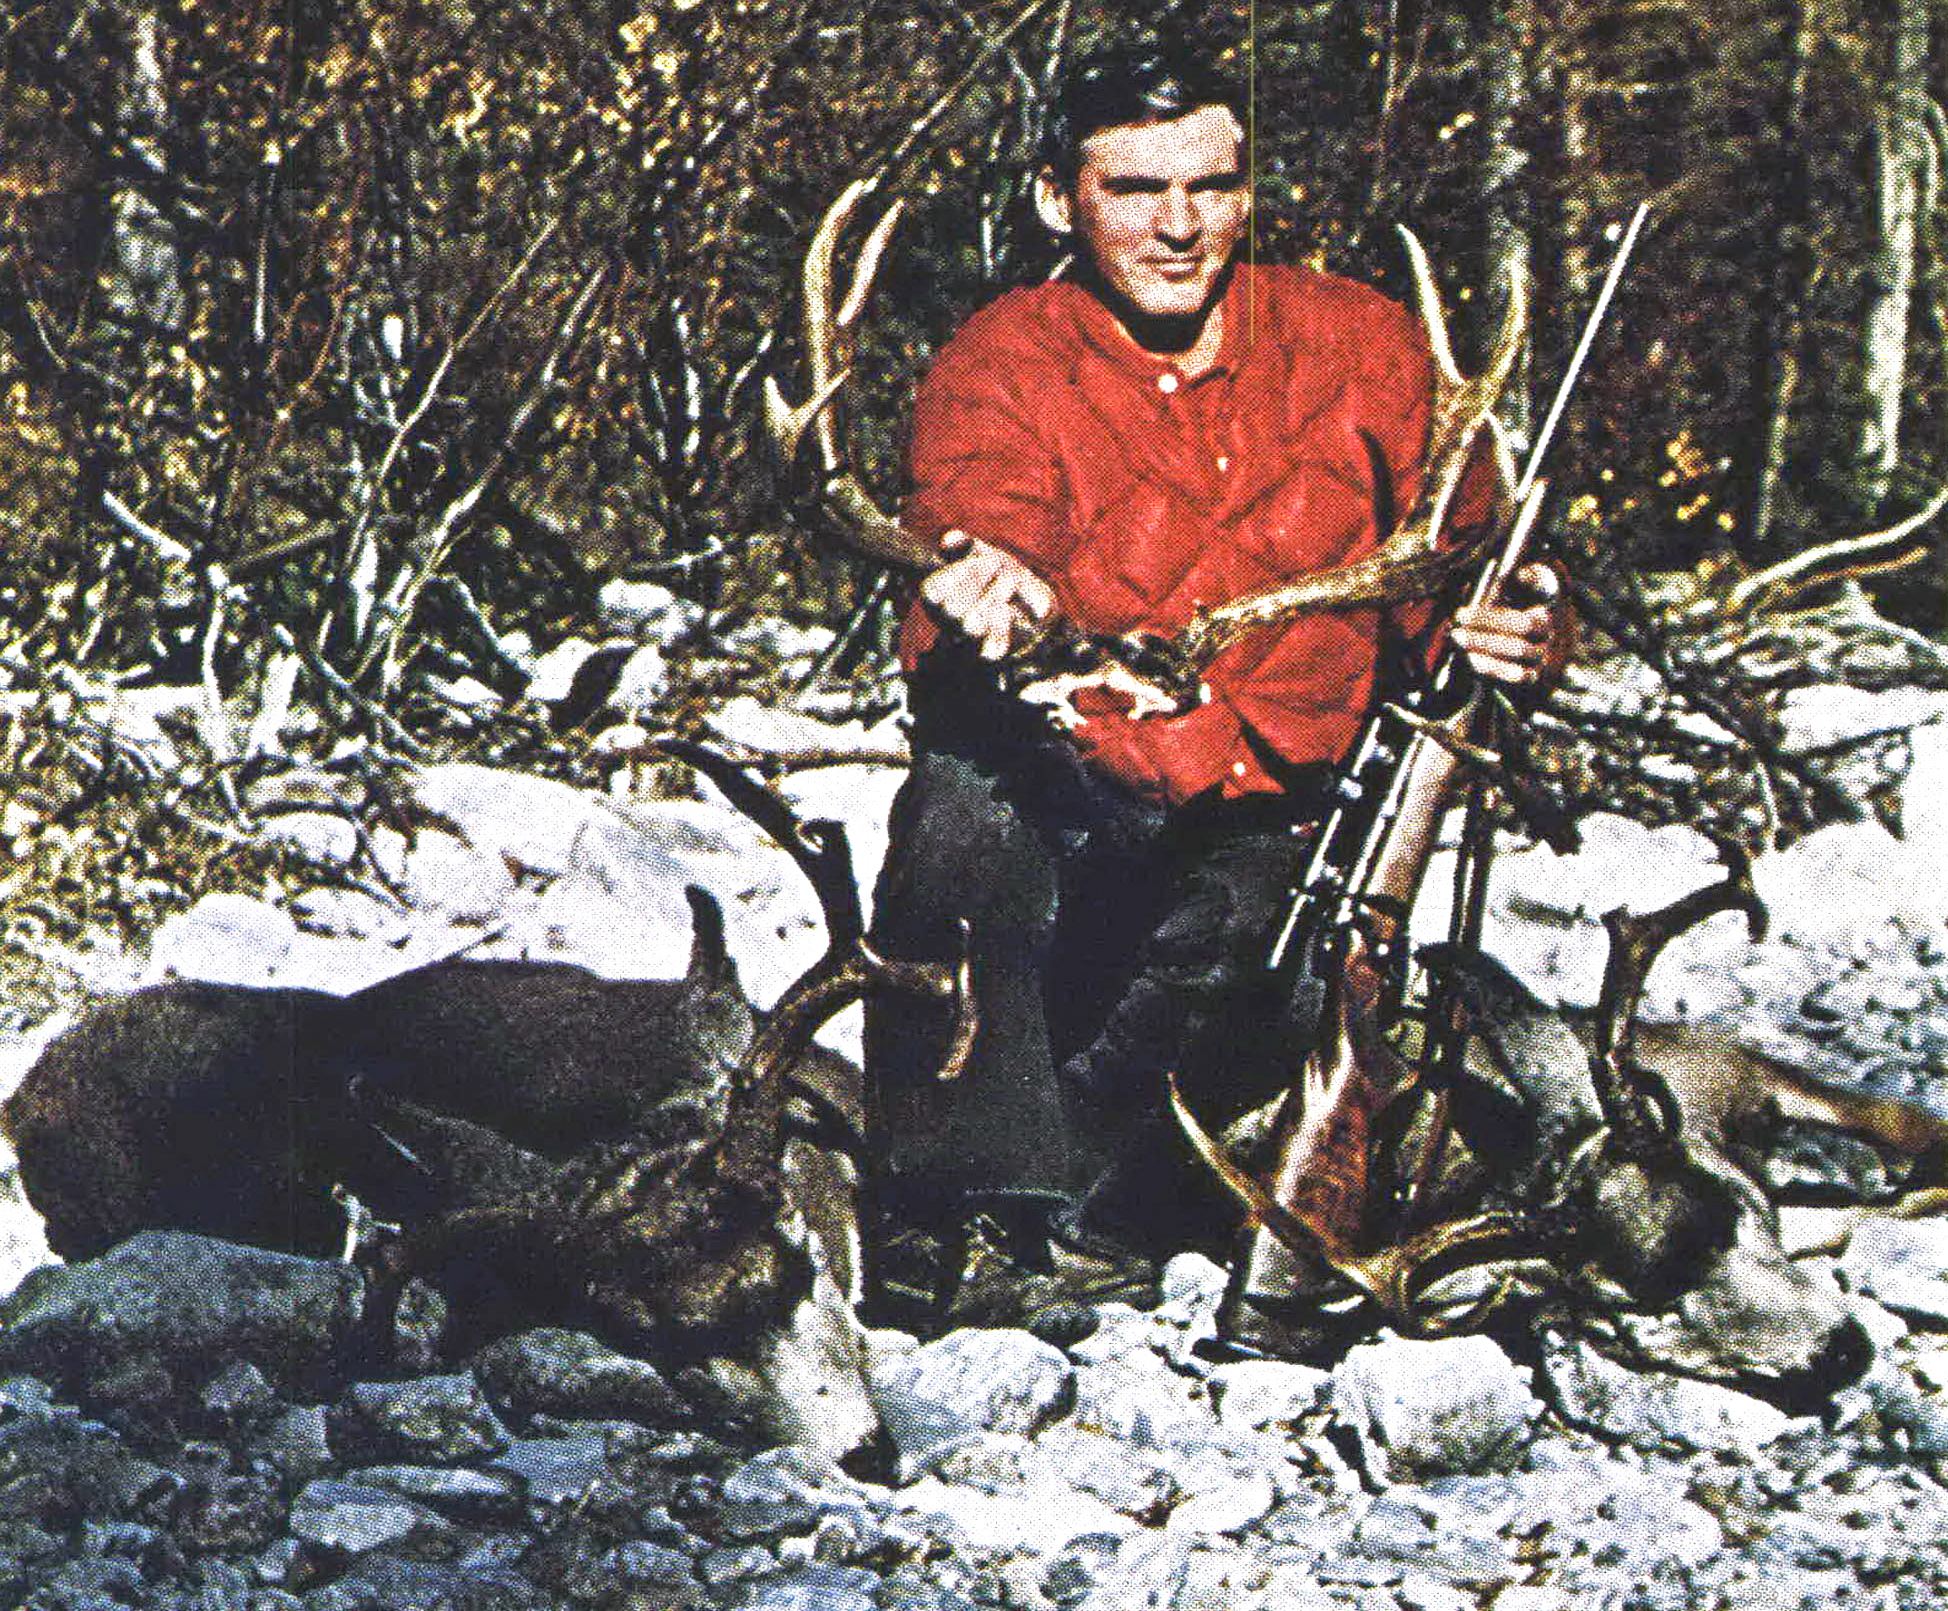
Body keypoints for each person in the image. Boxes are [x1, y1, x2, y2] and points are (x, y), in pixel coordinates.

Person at [862, 40, 1569, 1339]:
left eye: (1214, 185)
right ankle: (942, 1222)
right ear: (1054, 199)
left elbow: (1474, 568)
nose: (1181, 226)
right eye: (1135, 188)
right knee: (962, 821)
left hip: (1272, 840)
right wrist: (997, 589)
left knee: (1268, 953)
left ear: (1249, 189)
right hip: (1080, 793)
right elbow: (978, 514)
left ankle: (1090, 1213)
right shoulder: (1002, 362)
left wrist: (1525, 627)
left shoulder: (1362, 342)